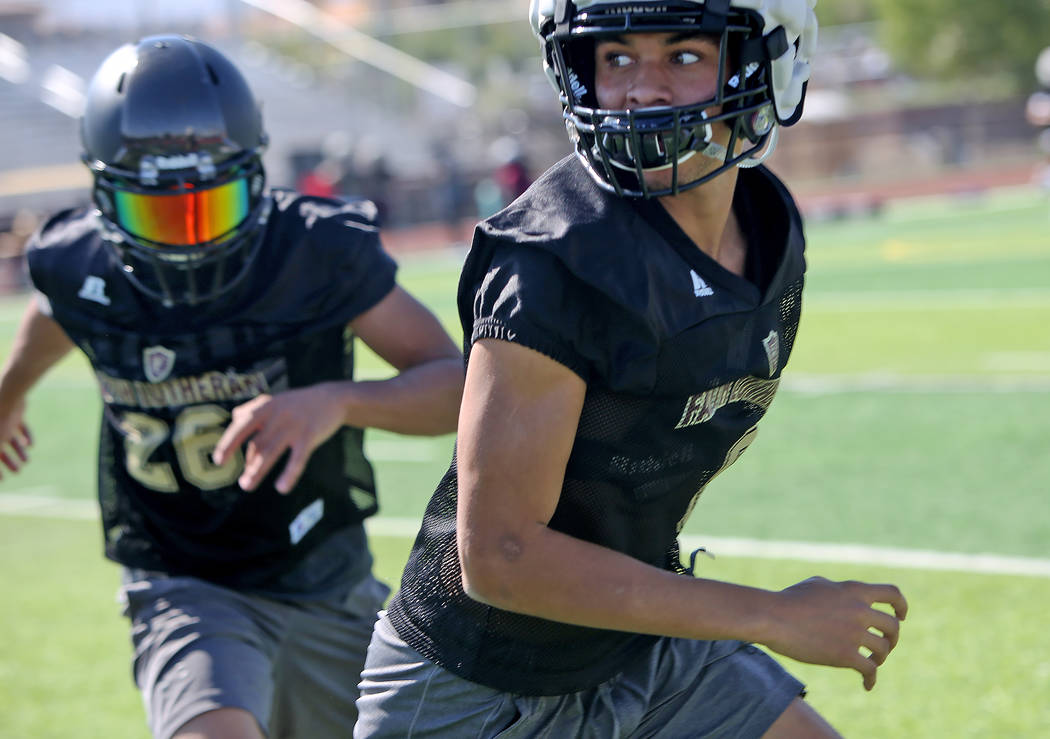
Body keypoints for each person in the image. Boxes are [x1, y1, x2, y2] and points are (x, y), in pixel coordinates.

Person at [355, 1, 908, 737]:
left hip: (632, 640)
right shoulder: (554, 261)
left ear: (769, 59)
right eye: (616, 58)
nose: (641, 90)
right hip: (479, 687)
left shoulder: (768, 224)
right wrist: (772, 614)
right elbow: (501, 556)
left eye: (681, 57)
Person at [0, 35, 463, 739]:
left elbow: (458, 386)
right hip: (183, 576)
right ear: (105, 199)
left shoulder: (312, 250)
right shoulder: (81, 263)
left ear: (255, 177)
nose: (189, 240)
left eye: (210, 206)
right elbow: (59, 311)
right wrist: (8, 392)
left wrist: (336, 400)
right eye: (159, 213)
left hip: (321, 572)